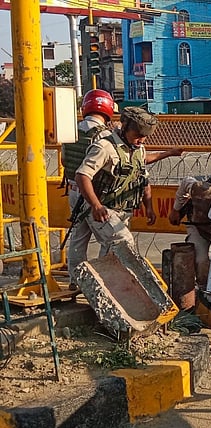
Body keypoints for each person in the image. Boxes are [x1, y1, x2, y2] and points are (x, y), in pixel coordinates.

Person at [68, 107, 180, 271]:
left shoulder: (137, 149)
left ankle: (102, 282)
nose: (141, 140)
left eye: (144, 137)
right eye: (138, 136)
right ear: (125, 128)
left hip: (121, 209)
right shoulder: (104, 147)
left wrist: (149, 207)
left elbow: (142, 178)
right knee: (122, 240)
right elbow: (82, 175)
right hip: (101, 206)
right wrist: (96, 206)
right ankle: (78, 279)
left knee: (111, 249)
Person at [62, 90, 115, 286]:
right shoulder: (106, 136)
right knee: (108, 238)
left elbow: (64, 160)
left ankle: (76, 279)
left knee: (78, 236)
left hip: (74, 191)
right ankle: (103, 282)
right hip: (95, 195)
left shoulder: (71, 131)